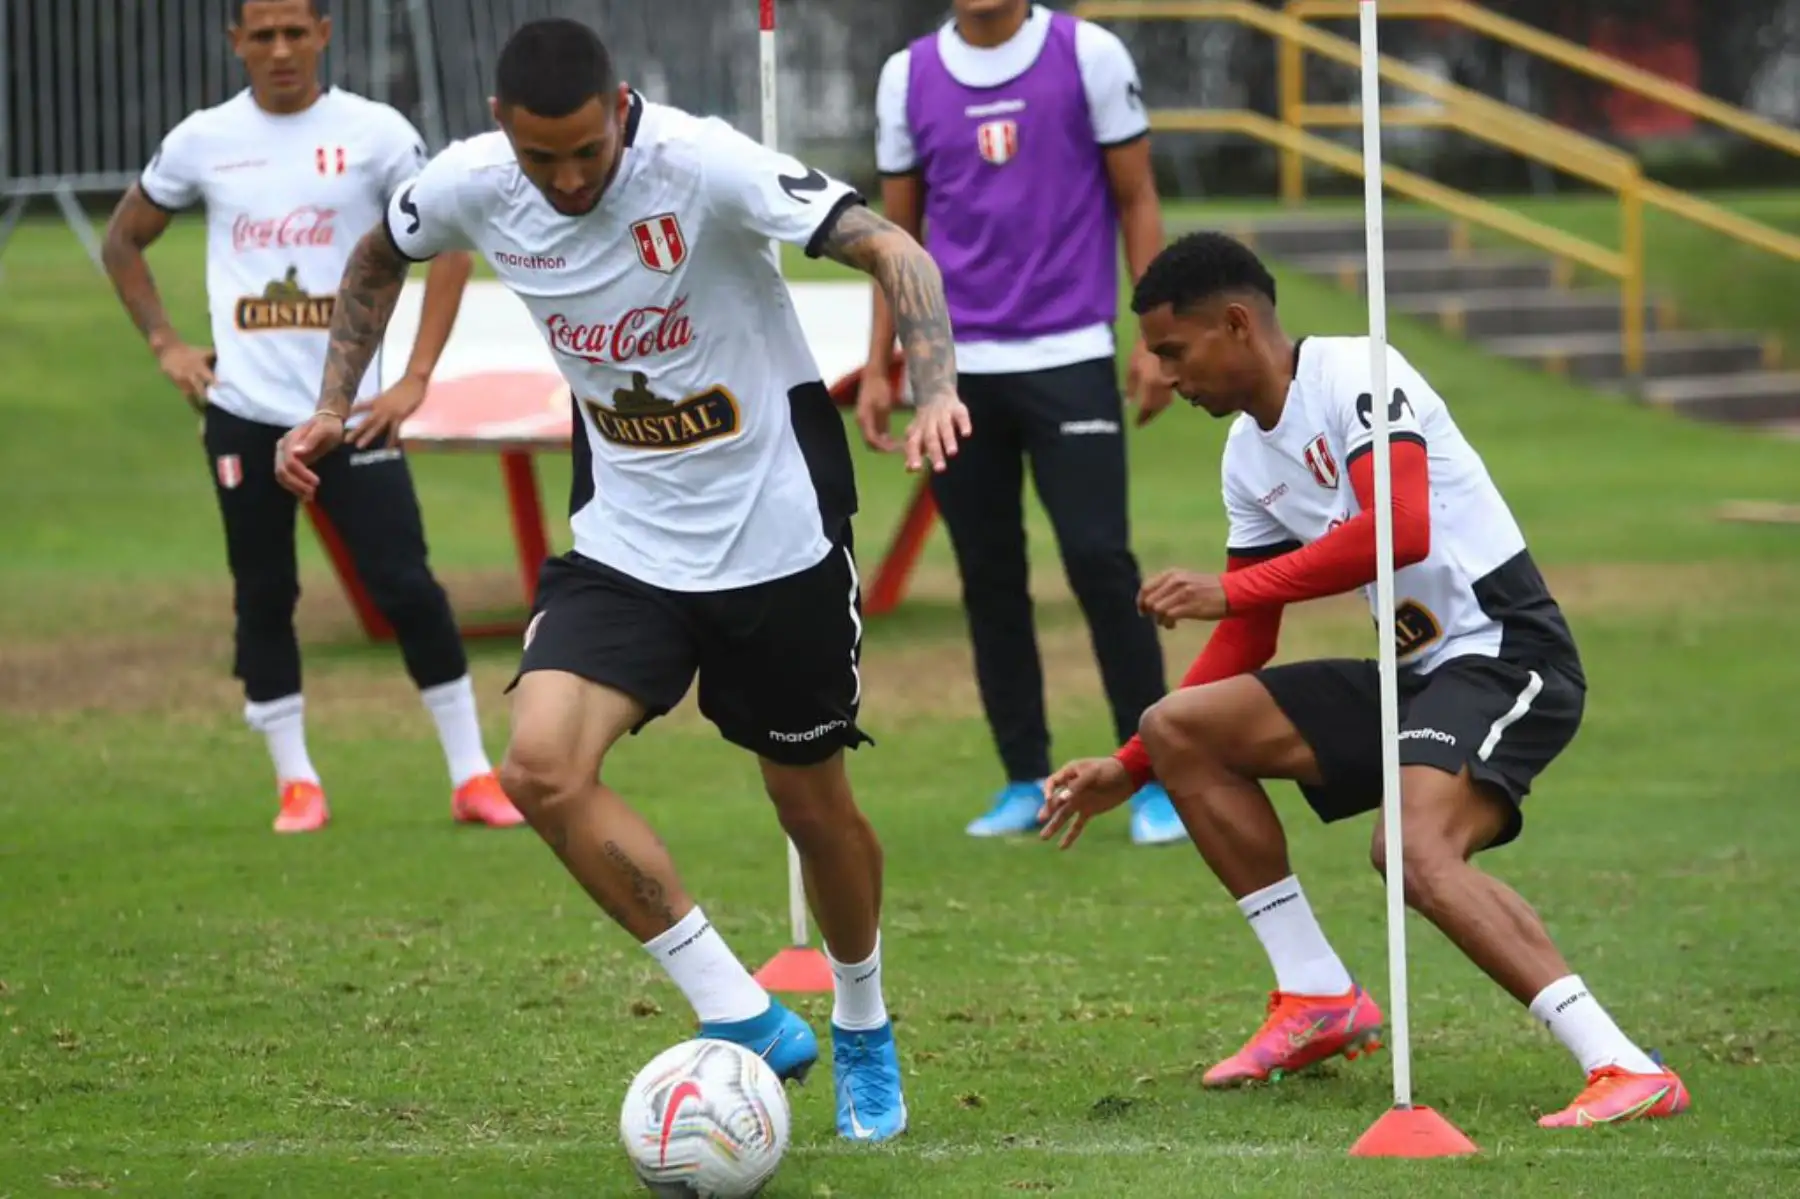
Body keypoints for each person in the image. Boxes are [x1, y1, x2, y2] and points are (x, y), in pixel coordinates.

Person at [274, 18, 973, 1143]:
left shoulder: (705, 164)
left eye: (587, 154)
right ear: (504, 130)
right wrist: (329, 397)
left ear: (623, 110)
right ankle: (737, 1009)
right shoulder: (470, 180)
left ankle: (861, 1021)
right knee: (541, 770)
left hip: (777, 536)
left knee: (810, 803)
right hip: (625, 546)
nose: (566, 179)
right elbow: (376, 255)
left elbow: (898, 249)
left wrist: (932, 381)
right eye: (542, 159)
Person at [1039, 232, 1691, 1128]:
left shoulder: (1357, 371)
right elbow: (1249, 637)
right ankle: (1317, 997)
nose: (1163, 374)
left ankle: (1621, 1064)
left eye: (1173, 351)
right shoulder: (1245, 457)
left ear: (1236, 324)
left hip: (1506, 653)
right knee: (1178, 724)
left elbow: (1403, 526)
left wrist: (1224, 589)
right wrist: (1131, 760)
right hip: (1415, 673)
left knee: (1411, 852)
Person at [100, 0, 521, 835]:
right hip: (246, 414)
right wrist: (168, 347)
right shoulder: (201, 141)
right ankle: (298, 784)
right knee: (264, 594)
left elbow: (451, 245)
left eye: (297, 31)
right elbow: (122, 240)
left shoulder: (376, 133)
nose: (282, 49)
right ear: (237, 44)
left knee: (407, 586)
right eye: (264, 35)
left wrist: (414, 379)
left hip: (354, 414)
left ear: (324, 34)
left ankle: (473, 775)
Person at [860, 0, 1182, 845]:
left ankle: (1155, 777)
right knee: (988, 574)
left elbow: (1138, 194)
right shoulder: (907, 74)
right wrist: (883, 361)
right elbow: (895, 238)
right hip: (953, 374)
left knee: (1099, 561)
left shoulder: (1091, 56)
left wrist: (1157, 338)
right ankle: (1021, 776)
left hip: (1071, 352)